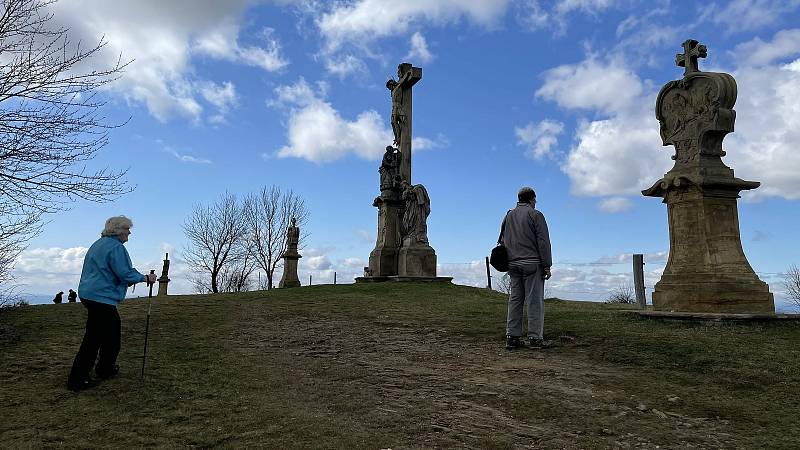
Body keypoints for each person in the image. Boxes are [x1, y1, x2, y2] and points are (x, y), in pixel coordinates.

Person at [66, 216, 157, 391]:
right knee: (94, 339)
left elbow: (115, 271)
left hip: (90, 294)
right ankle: (78, 379)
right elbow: (124, 273)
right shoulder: (116, 247)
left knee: (111, 334)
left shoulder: (98, 244)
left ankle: (105, 368)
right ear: (118, 230)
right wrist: (145, 278)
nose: (129, 232)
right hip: (101, 298)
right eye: (127, 229)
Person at [498, 187, 553, 350]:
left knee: (515, 300)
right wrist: (547, 265)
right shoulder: (536, 215)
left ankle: (512, 337)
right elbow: (543, 242)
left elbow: (502, 240)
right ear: (532, 199)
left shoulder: (508, 215)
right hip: (532, 264)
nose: (535, 203)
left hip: (513, 264)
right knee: (534, 301)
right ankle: (535, 338)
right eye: (535, 200)